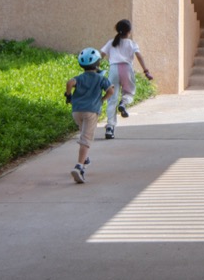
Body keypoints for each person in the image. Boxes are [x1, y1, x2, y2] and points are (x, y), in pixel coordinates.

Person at [63, 47, 116, 184]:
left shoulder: (79, 78)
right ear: (98, 64)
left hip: (77, 111)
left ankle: (85, 158)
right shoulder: (101, 78)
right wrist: (102, 100)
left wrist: (68, 95)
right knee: (86, 139)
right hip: (91, 111)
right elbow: (111, 91)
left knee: (83, 132)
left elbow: (70, 83)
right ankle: (79, 166)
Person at [103, 18, 155, 140]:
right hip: (126, 69)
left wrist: (95, 69)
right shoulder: (132, 43)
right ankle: (124, 102)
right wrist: (146, 71)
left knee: (111, 98)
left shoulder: (111, 42)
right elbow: (139, 56)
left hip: (114, 70)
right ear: (129, 31)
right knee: (129, 92)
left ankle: (110, 127)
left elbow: (100, 55)